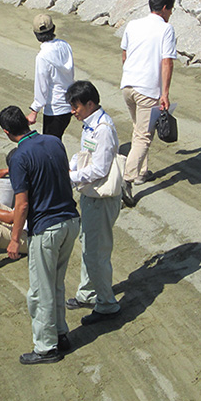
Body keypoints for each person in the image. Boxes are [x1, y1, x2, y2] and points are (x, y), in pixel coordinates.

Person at [0, 105, 80, 365]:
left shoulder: (19, 156)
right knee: (56, 283)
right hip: (70, 221)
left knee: (40, 291)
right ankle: (60, 333)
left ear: (7, 132)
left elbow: (21, 204)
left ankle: (46, 348)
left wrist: (13, 238)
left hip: (46, 229)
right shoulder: (54, 142)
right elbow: (49, 168)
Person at [64, 80, 122, 325]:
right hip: (90, 196)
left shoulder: (103, 129)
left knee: (97, 252)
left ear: (90, 104)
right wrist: (71, 166)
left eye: (75, 106)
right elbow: (83, 154)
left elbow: (99, 168)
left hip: (101, 198)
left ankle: (107, 304)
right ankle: (88, 293)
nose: (72, 111)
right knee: (88, 244)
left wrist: (69, 177)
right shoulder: (90, 125)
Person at [119, 0, 177, 207]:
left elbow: (124, 53)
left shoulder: (133, 24)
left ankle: (142, 172)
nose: (171, 13)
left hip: (128, 86)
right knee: (144, 136)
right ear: (164, 8)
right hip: (147, 90)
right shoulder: (166, 29)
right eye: (170, 9)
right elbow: (167, 61)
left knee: (138, 129)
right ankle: (127, 179)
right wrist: (165, 93)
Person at [27, 14, 75, 139]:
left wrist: (34, 111)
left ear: (36, 34)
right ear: (53, 28)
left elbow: (42, 85)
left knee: (51, 144)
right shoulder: (65, 46)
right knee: (57, 141)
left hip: (55, 108)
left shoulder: (42, 56)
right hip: (69, 102)